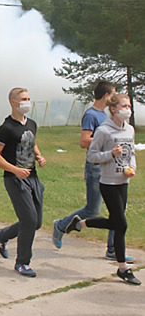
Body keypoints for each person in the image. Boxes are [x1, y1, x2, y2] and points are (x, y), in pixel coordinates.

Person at [51, 82, 133, 262]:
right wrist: (106, 140)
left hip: (114, 167)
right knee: (93, 209)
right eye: (113, 94)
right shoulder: (91, 115)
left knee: (119, 212)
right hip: (96, 168)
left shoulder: (106, 115)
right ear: (106, 96)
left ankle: (113, 249)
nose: (115, 96)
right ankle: (61, 225)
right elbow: (84, 141)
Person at [65, 94, 140, 285]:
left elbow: (131, 154)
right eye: (124, 105)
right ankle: (123, 268)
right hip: (108, 183)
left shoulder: (129, 130)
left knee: (115, 222)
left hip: (124, 182)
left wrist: (132, 168)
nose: (128, 109)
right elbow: (92, 155)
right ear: (113, 109)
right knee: (121, 224)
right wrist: (110, 154)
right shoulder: (104, 131)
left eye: (129, 105)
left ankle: (80, 224)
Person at [0, 88, 46, 277]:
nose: (27, 102)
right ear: (13, 102)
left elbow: (32, 142)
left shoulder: (31, 123)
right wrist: (14, 169)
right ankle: (22, 263)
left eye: (29, 98)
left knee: (36, 222)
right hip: (15, 179)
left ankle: (3, 235)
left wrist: (38, 155)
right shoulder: (7, 128)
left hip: (32, 177)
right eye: (23, 99)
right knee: (29, 220)